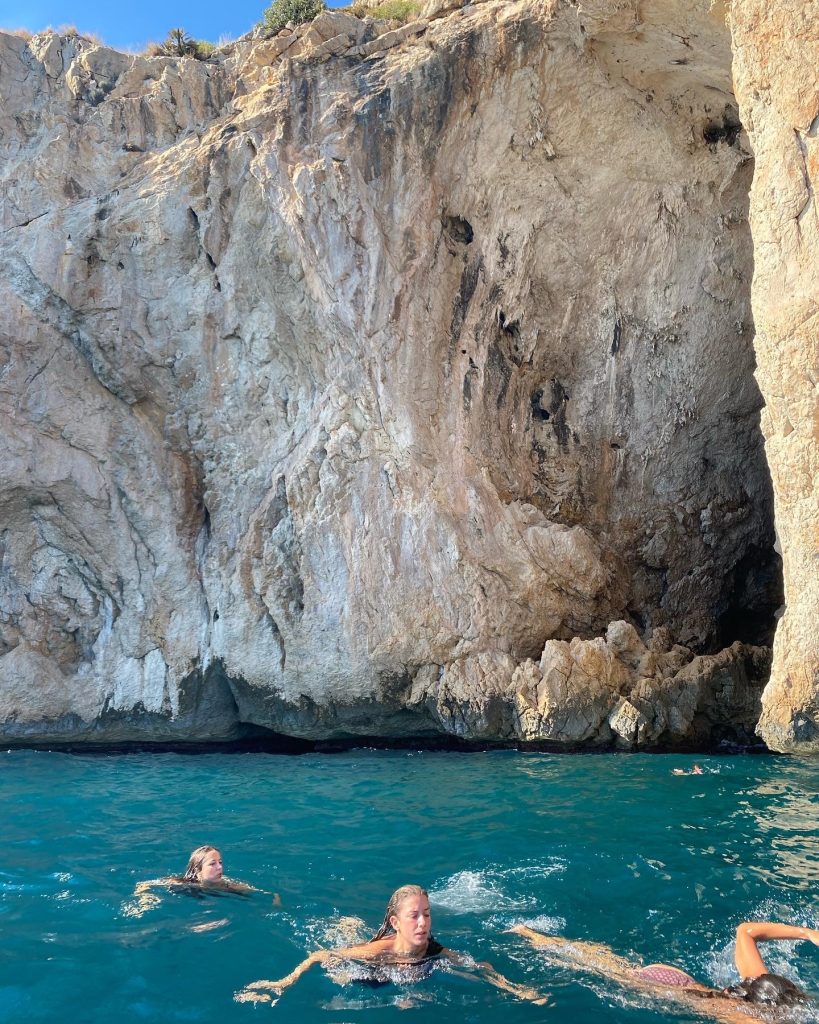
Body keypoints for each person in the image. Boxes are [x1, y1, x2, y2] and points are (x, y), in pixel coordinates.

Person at [235, 884, 548, 1005]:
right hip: (373, 970)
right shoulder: (378, 951)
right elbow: (319, 955)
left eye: (427, 914)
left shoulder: (434, 950)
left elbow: (478, 966)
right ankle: (348, 926)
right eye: (414, 916)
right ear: (397, 923)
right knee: (342, 973)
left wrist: (514, 988)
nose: (423, 923)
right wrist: (284, 982)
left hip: (408, 972)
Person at [510, 921, 819, 1021]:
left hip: (675, 976)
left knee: (608, 963)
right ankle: (533, 937)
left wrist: (807, 933)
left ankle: (534, 934)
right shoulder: (749, 1018)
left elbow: (745, 931)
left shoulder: (757, 985)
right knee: (597, 968)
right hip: (661, 987)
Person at [125, 845, 277, 918]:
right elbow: (144, 884)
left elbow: (270, 894)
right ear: (198, 872)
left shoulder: (228, 885)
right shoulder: (183, 883)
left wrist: (276, 903)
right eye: (212, 864)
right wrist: (146, 899)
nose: (220, 867)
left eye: (221, 862)